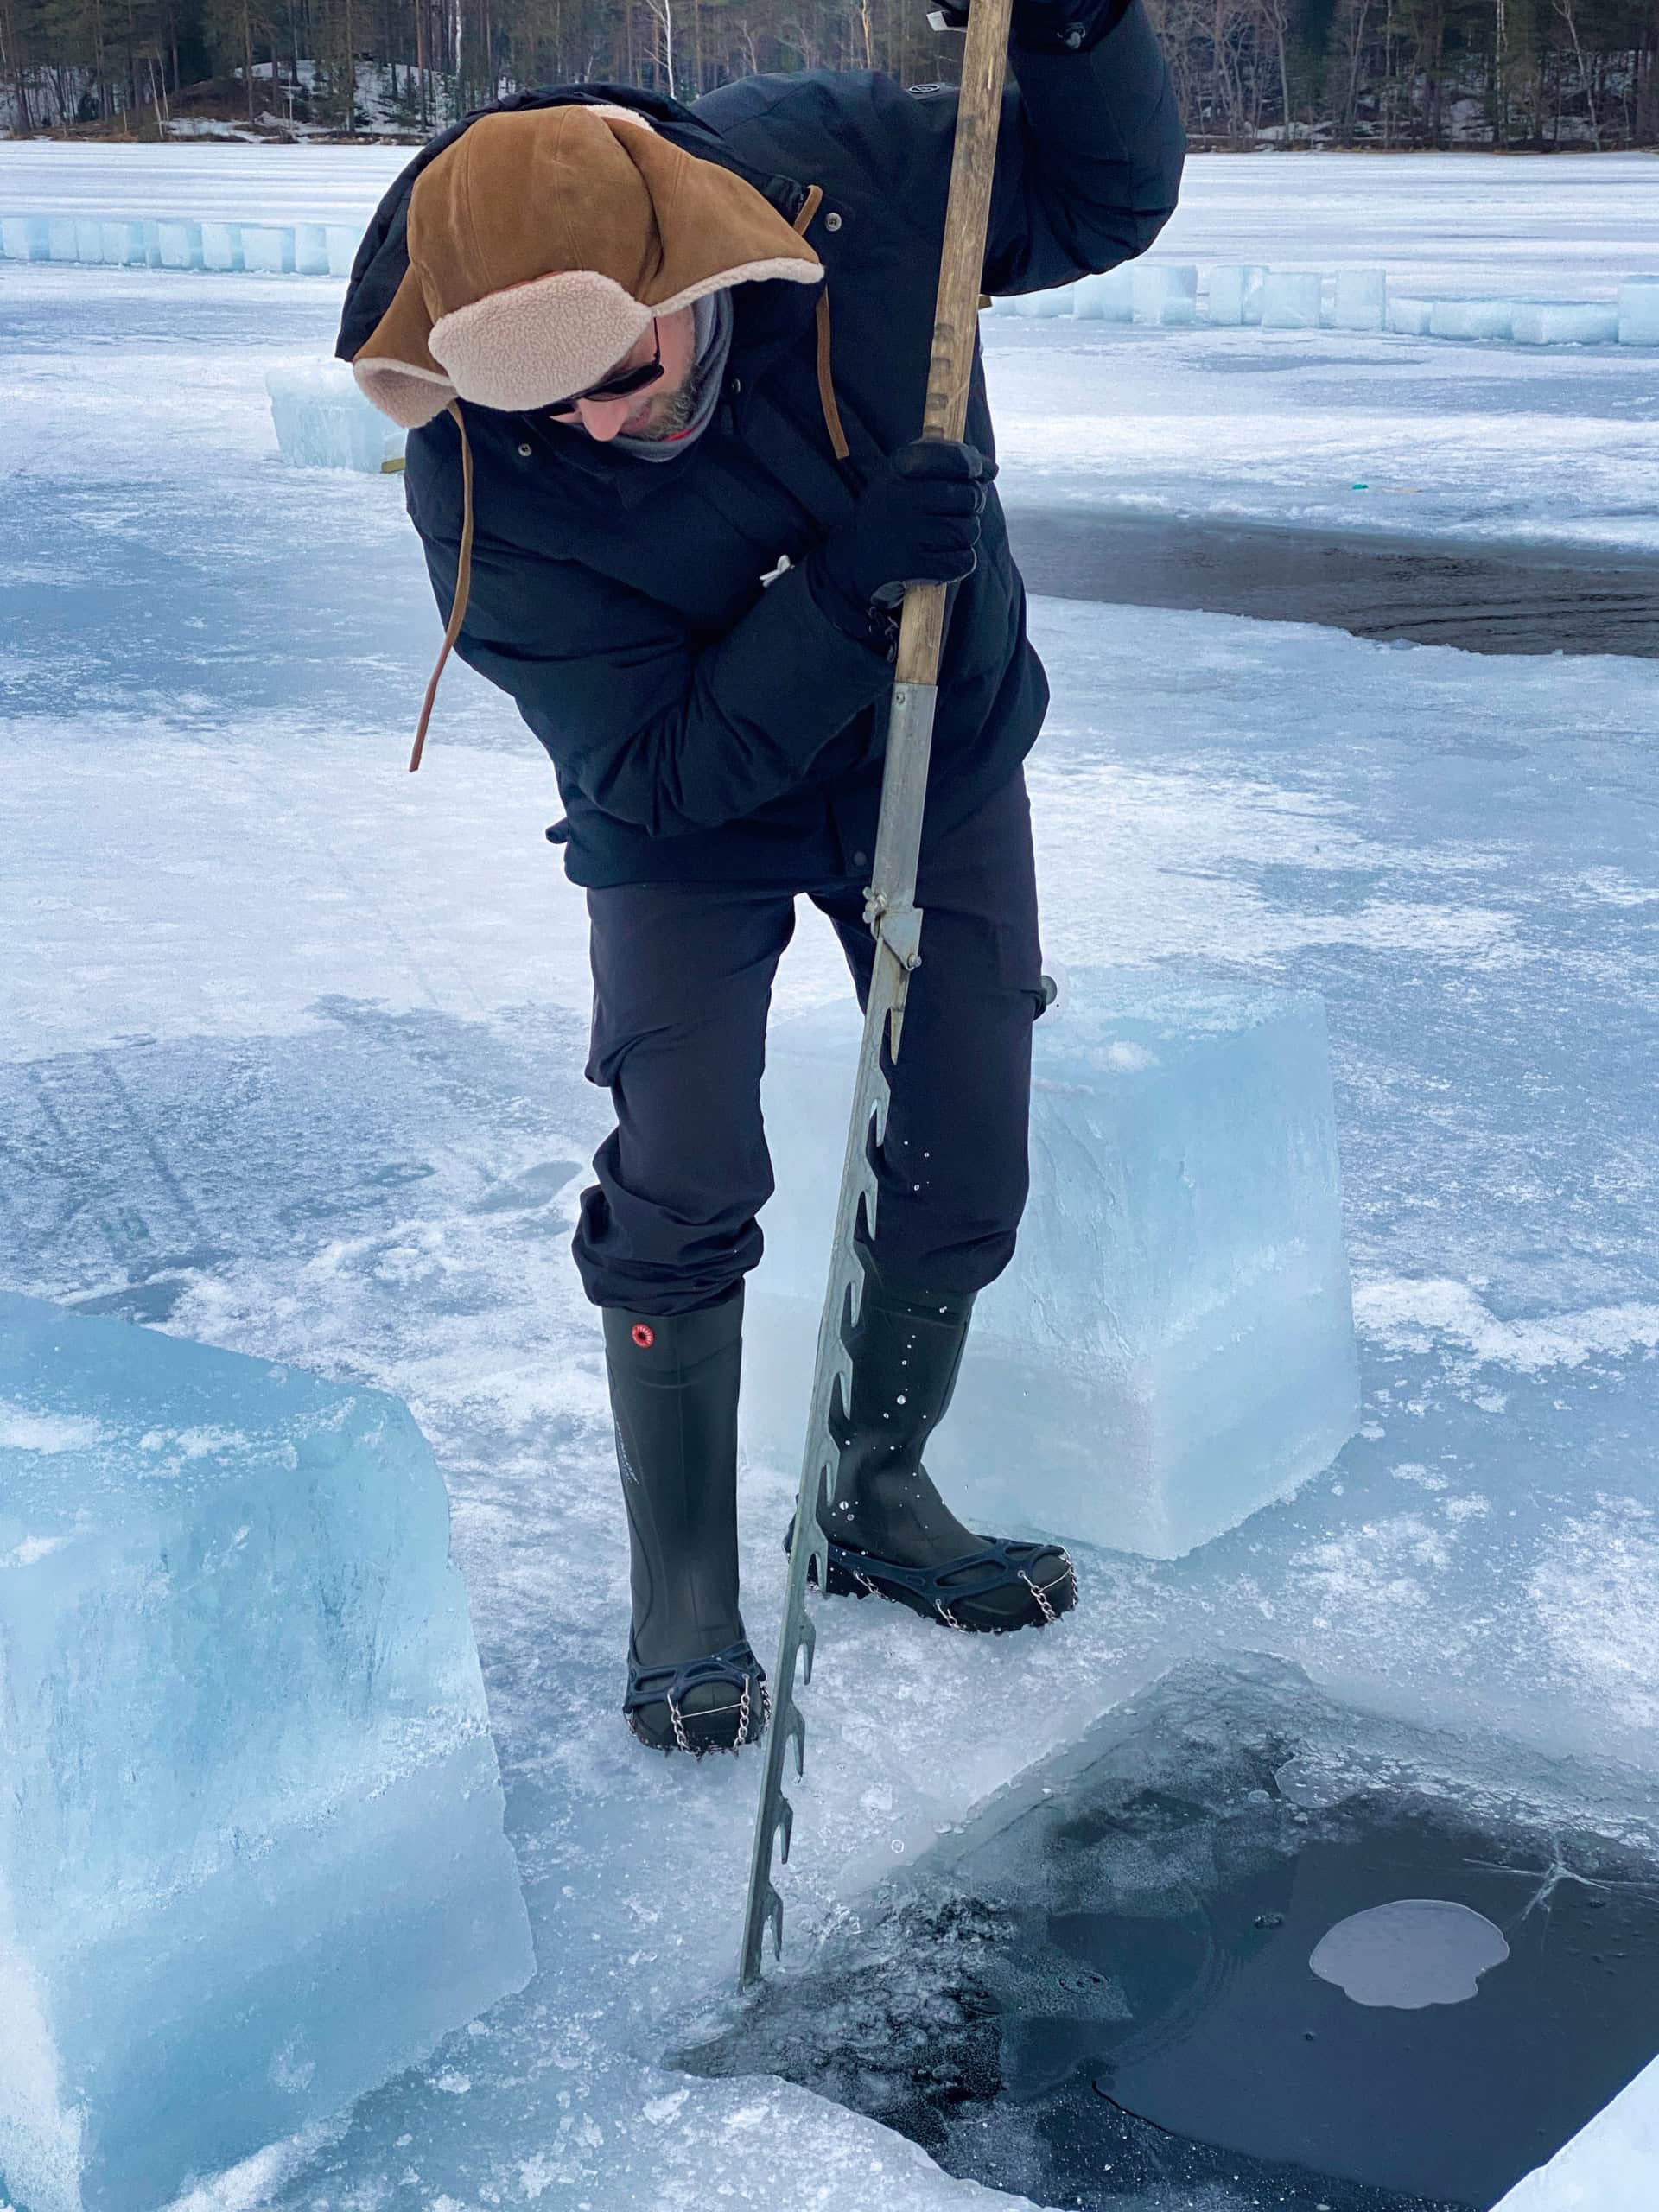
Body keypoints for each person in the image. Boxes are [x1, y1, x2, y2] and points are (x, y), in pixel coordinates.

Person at [338, 1, 1184, 1758]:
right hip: (688, 803)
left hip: (935, 736)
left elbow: (1092, 203)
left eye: (618, 371)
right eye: (533, 397)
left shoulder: (849, 186)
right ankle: (681, 1588)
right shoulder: (478, 477)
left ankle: (876, 1488)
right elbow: (655, 768)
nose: (585, 422)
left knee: (967, 1135)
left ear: (689, 273)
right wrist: (840, 596)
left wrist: (1085, 34)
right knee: (685, 1155)